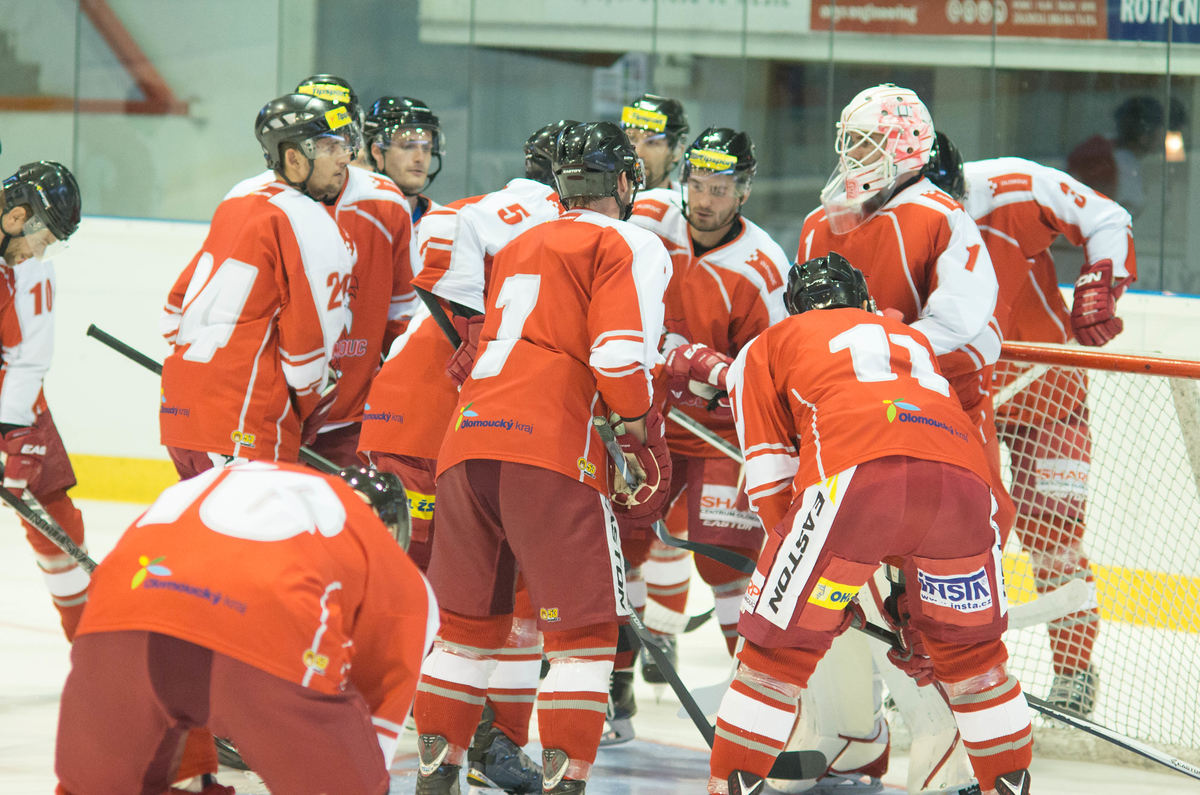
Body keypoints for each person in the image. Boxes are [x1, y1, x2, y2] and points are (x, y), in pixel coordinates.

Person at [411, 121, 673, 795]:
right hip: (550, 449)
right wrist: (638, 433)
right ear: (625, 181)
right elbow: (619, 354)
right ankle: (565, 782)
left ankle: (435, 776)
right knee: (583, 636)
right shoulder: (631, 242)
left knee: (465, 631)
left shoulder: (522, 240)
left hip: (467, 442)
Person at [711, 253, 1032, 795]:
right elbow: (933, 485)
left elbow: (772, 485)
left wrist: (819, 596)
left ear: (793, 309)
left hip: (855, 480)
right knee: (976, 665)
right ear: (863, 300)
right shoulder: (911, 339)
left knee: (775, 657)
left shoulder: (767, 345)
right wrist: (913, 610)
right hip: (963, 490)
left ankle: (726, 786)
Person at [793, 83, 1008, 789]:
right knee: (828, 588)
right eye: (850, 142)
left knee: (932, 605)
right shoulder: (818, 225)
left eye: (868, 143)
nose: (853, 156)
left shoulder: (942, 217)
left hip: (934, 434)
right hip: (845, 433)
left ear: (908, 147)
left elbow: (964, 324)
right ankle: (850, 736)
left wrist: (883, 353)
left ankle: (954, 756)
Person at [358, 119, 573, 794]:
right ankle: (315, 704)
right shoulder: (558, 218)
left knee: (470, 591)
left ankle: (484, 736)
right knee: (430, 592)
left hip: (440, 422)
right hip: (443, 425)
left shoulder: (512, 215)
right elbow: (445, 238)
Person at [53, 463, 436, 795]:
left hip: (118, 608)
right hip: (261, 626)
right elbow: (375, 719)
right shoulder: (396, 571)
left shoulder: (234, 477)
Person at [924, 131, 1137, 716]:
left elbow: (1106, 218)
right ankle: (945, 674)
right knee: (944, 542)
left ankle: (1075, 672)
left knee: (1054, 538)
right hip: (961, 401)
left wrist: (1100, 283)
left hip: (1048, 389)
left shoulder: (1010, 186)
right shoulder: (893, 219)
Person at [625, 127, 788, 689]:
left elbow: (771, 370)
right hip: (647, 420)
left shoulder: (764, 267)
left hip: (722, 435)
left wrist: (713, 371)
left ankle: (755, 691)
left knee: (725, 562)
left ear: (744, 191)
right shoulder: (646, 218)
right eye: (697, 184)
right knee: (621, 546)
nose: (704, 200)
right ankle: (618, 684)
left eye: (720, 190)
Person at [225, 76, 419, 467]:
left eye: (340, 137)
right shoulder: (249, 200)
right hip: (269, 414)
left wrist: (394, 400)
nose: (337, 150)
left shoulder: (385, 202)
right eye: (322, 139)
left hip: (353, 420)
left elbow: (403, 316)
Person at [160, 92, 356, 479]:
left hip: (180, 410)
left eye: (344, 144)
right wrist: (305, 410)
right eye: (329, 146)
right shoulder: (311, 222)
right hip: (243, 421)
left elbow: (173, 312)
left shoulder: (236, 204)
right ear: (294, 157)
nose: (344, 158)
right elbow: (306, 353)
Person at [0, 161, 87, 640]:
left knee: (54, 514)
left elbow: (27, 357)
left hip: (13, 395)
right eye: (42, 240)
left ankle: (87, 632)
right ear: (17, 218)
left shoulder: (30, 269)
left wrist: (15, 430)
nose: (40, 253)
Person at [1067, 96, 1187, 219]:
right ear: (1144, 135)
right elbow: (1091, 213)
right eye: (1162, 130)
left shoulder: (1123, 156)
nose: (1164, 137)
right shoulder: (1101, 157)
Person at [362, 96, 446, 224]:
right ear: (377, 152)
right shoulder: (351, 216)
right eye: (408, 146)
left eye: (426, 148)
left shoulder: (443, 223)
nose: (420, 158)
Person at [621, 93, 690, 192]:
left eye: (652, 142)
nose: (638, 153)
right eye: (631, 138)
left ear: (677, 152)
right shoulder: (602, 198)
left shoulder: (689, 200)